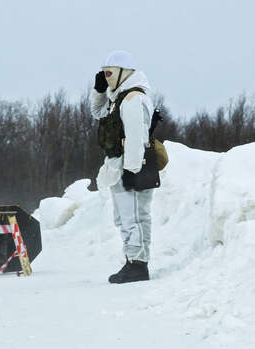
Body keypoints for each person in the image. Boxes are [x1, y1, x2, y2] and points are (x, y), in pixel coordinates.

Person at [90, 50, 155, 284]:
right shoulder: (119, 97)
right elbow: (98, 113)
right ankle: (132, 260)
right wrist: (99, 91)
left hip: (131, 166)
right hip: (118, 164)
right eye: (104, 74)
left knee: (135, 216)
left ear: (122, 72)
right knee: (123, 218)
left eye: (109, 73)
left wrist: (132, 170)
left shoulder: (133, 99)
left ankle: (138, 265)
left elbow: (137, 138)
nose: (106, 77)